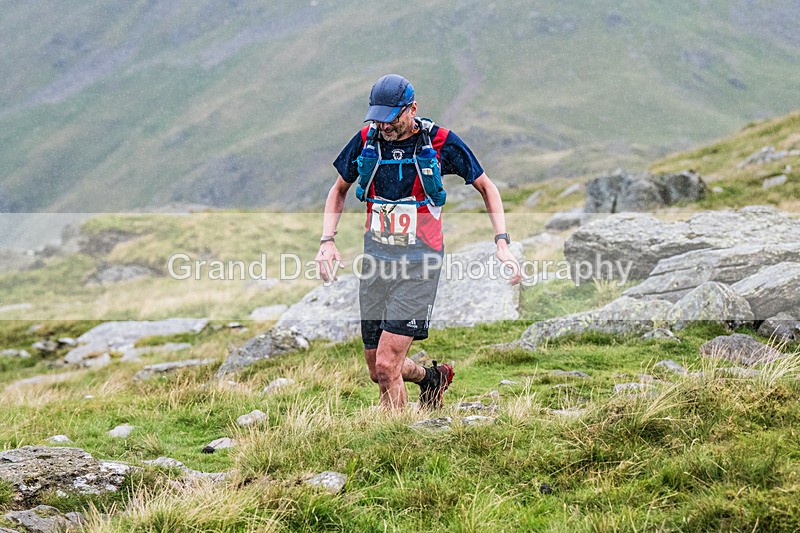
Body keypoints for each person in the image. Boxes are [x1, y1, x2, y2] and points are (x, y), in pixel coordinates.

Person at [316, 74, 521, 410]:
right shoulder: (368, 139)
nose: (384, 125)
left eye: (392, 117)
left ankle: (398, 441)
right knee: (376, 370)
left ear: (412, 109)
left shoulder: (440, 142)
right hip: (376, 264)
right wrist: (328, 241)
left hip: (420, 265)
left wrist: (502, 242)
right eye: (378, 117)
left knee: (387, 366)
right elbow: (338, 190)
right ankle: (432, 378)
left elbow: (487, 187)